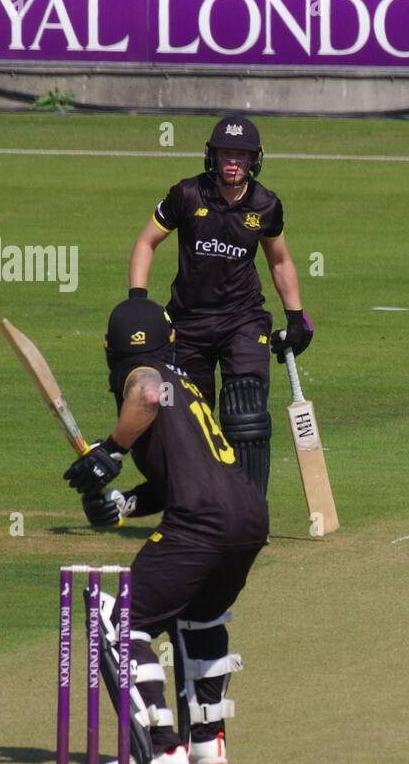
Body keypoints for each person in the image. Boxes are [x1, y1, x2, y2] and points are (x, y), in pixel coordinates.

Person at [63, 297, 268, 764]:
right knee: (199, 618)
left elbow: (146, 392)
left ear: (107, 348)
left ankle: (159, 748)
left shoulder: (142, 377)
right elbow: (181, 473)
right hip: (248, 517)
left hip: (201, 522)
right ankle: (206, 741)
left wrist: (110, 451)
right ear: (172, 339)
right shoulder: (187, 387)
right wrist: (125, 503)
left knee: (117, 622)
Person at [126, 114, 313, 500]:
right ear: (212, 156)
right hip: (188, 323)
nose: (233, 162)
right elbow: (146, 243)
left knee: (245, 408)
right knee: (188, 420)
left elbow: (279, 261)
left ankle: (247, 508)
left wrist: (296, 318)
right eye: (226, 154)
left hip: (243, 321)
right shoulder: (186, 195)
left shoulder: (265, 205)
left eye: (241, 156)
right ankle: (196, 505)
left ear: (254, 159)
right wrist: (138, 302)